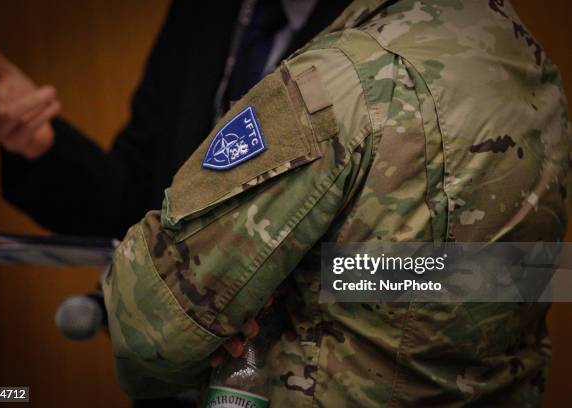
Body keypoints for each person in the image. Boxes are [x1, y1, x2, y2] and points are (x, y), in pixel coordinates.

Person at [103, 0, 571, 406]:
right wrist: (336, 275)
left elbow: (148, 329)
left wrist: (281, 284)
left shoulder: (342, 82)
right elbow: (522, 274)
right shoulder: (533, 71)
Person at [0, 0, 351, 239]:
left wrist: (283, 288)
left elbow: (409, 274)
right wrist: (42, 145)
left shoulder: (405, 23)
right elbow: (137, 206)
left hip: (336, 361)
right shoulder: (208, 12)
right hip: (184, 361)